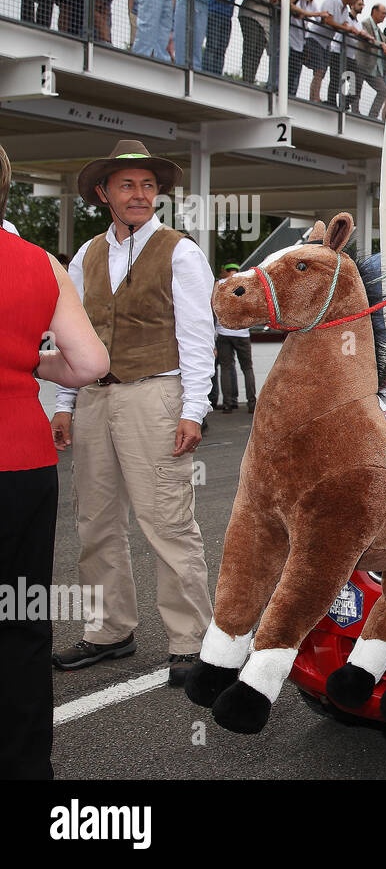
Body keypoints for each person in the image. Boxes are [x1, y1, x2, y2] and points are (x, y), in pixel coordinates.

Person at [49, 139, 215, 685]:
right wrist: (66, 403)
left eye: (147, 185)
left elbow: (198, 338)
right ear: (104, 193)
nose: (140, 194)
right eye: (128, 185)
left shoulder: (181, 252)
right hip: (95, 395)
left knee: (167, 520)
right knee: (95, 521)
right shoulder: (86, 256)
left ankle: (191, 642)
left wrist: (194, 409)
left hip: (155, 395)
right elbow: (74, 338)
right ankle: (108, 631)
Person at [0, 142, 110, 780]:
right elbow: (91, 364)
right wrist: (30, 364)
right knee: (19, 620)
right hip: (21, 461)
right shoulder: (41, 264)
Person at [214, 263, 256, 413]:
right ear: (239, 271)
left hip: (224, 332)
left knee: (225, 368)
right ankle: (252, 404)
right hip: (242, 333)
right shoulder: (247, 283)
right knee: (247, 368)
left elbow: (213, 306)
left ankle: (227, 404)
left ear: (225, 271)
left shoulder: (219, 284)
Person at [238, 0, 280, 85]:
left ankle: (251, 77)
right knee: (250, 46)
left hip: (265, 20)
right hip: (251, 14)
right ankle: (246, 79)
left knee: (258, 50)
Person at [359, 2, 386, 119]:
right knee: (356, 90)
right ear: (375, 12)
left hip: (373, 67)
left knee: (383, 90)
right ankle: (354, 112)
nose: (384, 16)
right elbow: (366, 38)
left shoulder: (377, 29)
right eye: (383, 13)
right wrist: (381, 44)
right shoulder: (366, 23)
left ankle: (372, 115)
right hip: (362, 63)